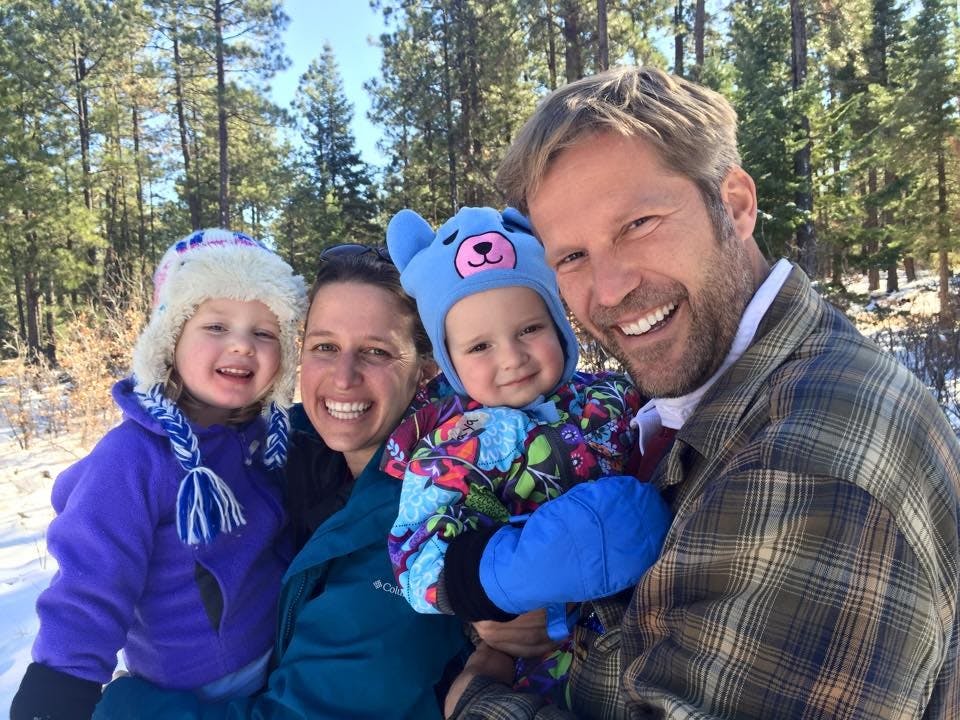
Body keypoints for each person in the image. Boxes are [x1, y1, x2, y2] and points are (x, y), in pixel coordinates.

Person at [446, 66, 960, 719]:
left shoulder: (807, 464)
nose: (607, 291)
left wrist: (474, 697)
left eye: (637, 223)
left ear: (736, 205)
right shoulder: (705, 402)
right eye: (571, 257)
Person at [91, 244, 470, 719]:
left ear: (425, 371)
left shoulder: (425, 525)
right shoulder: (285, 447)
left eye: (376, 351)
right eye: (325, 346)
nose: (344, 376)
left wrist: (118, 706)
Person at [12, 229, 308, 719]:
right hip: (195, 687)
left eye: (264, 333)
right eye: (216, 327)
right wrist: (61, 684)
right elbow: (92, 580)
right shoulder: (133, 457)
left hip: (274, 658)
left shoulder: (262, 442)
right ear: (169, 341)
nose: (241, 346)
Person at [383, 206, 672, 703]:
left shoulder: (615, 398)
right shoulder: (456, 444)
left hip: (644, 631)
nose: (511, 358)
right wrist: (502, 582)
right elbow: (416, 555)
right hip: (534, 657)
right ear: (449, 359)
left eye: (529, 330)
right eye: (479, 347)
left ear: (559, 325)